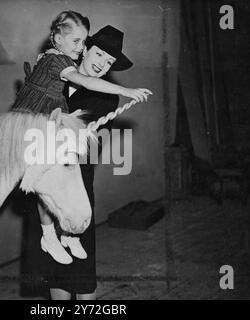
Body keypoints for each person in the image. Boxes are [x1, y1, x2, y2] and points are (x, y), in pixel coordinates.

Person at [12, 11, 151, 266]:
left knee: (82, 272)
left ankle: (68, 239)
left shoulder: (107, 98)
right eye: (99, 54)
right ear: (86, 49)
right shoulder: (60, 72)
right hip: (46, 175)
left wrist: (124, 92)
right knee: (50, 271)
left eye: (109, 62)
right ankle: (50, 237)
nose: (102, 64)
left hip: (76, 177)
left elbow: (84, 133)